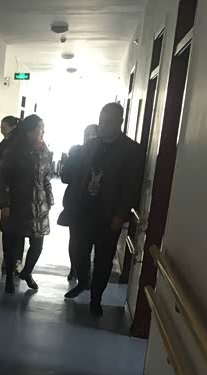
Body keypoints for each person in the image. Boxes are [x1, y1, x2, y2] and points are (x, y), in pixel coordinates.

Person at [64, 103, 145, 316]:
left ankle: (96, 298)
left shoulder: (132, 150)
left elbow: (131, 186)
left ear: (120, 122)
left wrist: (121, 214)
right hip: (83, 211)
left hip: (109, 215)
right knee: (78, 250)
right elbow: (77, 176)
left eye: (108, 121)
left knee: (103, 258)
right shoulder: (89, 146)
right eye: (101, 120)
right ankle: (83, 280)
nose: (102, 125)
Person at [0, 114, 54, 294]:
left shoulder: (44, 151)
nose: (42, 132)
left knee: (38, 243)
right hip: (17, 203)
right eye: (39, 129)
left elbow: (46, 178)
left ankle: (27, 272)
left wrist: (49, 200)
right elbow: (2, 179)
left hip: (39, 204)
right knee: (13, 243)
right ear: (29, 131)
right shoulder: (14, 150)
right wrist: (4, 203)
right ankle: (9, 277)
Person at [59, 124, 99, 281]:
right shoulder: (76, 153)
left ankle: (85, 272)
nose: (89, 138)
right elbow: (65, 177)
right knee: (75, 239)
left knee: (90, 241)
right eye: (87, 134)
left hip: (95, 206)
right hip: (75, 203)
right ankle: (74, 268)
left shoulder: (104, 155)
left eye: (93, 134)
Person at [0, 116, 22, 274]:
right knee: (11, 229)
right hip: (10, 195)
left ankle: (12, 260)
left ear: (13, 127)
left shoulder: (15, 144)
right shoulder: (5, 144)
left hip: (13, 195)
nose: (1, 129)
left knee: (12, 229)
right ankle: (11, 259)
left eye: (4, 126)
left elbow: (3, 175)